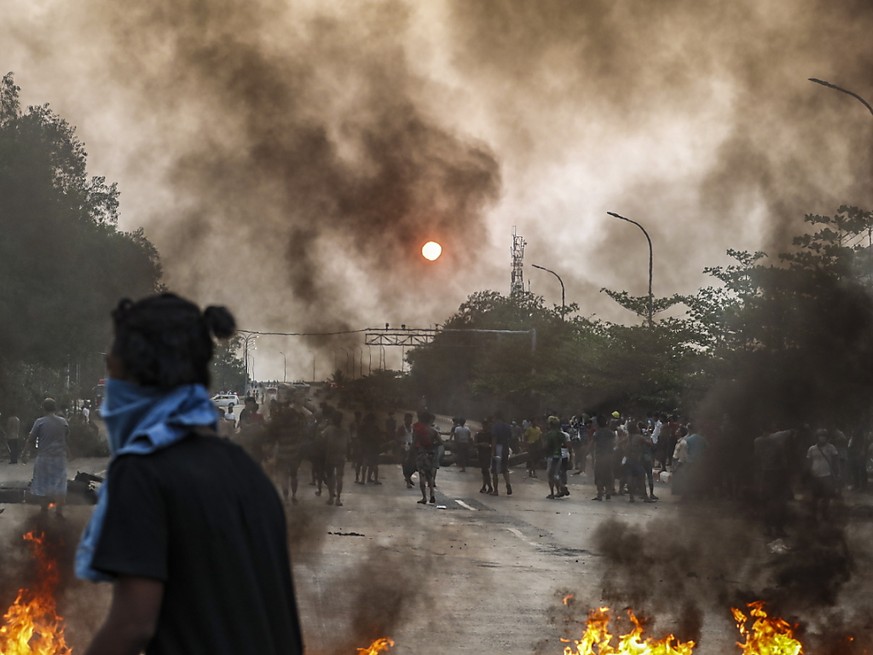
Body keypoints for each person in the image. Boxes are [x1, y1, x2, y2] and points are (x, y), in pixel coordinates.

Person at [78, 293, 303, 655]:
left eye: (113, 374)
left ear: (141, 378)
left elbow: (133, 625)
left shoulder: (143, 473)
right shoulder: (248, 473)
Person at [25, 398, 70, 516]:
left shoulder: (39, 422)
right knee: (60, 484)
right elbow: (65, 439)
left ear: (43, 408)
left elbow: (31, 439)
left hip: (44, 458)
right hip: (60, 458)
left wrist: (26, 453)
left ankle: (44, 509)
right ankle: (59, 512)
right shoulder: (63, 422)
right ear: (54, 408)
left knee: (42, 484)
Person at [806, 428, 841, 521]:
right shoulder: (812, 449)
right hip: (815, 476)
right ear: (817, 437)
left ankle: (825, 514)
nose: (822, 439)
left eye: (824, 437)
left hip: (827, 475)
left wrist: (837, 472)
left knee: (827, 496)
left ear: (827, 438)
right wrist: (809, 474)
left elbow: (835, 460)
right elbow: (809, 462)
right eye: (820, 436)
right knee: (814, 497)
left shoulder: (831, 448)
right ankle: (813, 515)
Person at [322, 409, 348, 506]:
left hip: (330, 455)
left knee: (330, 477)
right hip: (341, 456)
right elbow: (348, 443)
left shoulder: (329, 429)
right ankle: (338, 499)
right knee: (339, 477)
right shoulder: (345, 430)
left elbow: (321, 438)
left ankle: (330, 498)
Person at [413, 411, 438, 504]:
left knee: (422, 475)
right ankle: (432, 494)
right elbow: (440, 442)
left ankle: (424, 497)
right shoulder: (433, 431)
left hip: (421, 454)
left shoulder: (419, 431)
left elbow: (414, 443)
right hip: (430, 454)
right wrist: (432, 446)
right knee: (430, 476)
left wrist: (411, 454)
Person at [591, 414, 615, 501]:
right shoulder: (610, 433)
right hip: (609, 456)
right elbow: (614, 443)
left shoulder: (597, 433)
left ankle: (600, 494)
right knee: (609, 474)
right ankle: (608, 492)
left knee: (599, 475)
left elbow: (592, 444)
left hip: (600, 456)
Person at [490, 412, 513, 496]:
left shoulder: (495, 426)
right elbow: (510, 437)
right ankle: (508, 484)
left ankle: (495, 490)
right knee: (505, 468)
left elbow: (494, 438)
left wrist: (493, 451)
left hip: (498, 448)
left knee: (495, 470)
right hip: (506, 448)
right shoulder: (508, 426)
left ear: (496, 418)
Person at [543, 416, 564, 499]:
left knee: (550, 475)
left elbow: (546, 446)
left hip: (551, 456)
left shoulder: (549, 435)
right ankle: (559, 490)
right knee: (556, 473)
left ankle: (552, 493)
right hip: (559, 455)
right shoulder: (561, 434)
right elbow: (565, 444)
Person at [475, 420, 494, 494]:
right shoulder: (479, 434)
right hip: (481, 453)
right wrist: (481, 444)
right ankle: (486, 486)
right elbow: (475, 444)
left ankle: (488, 486)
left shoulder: (490, 434)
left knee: (485, 470)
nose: (485, 427)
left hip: (487, 454)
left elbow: (493, 444)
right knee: (484, 471)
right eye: (484, 425)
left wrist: (488, 445)